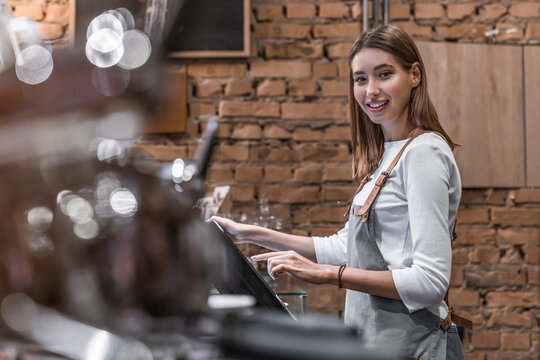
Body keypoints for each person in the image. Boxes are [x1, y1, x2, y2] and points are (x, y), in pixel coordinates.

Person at [210, 24, 464, 359]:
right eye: (360, 79)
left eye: (384, 74)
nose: (371, 90)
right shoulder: (391, 152)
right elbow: (345, 247)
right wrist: (250, 233)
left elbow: (430, 282)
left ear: (414, 74)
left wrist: (329, 276)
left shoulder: (423, 153)